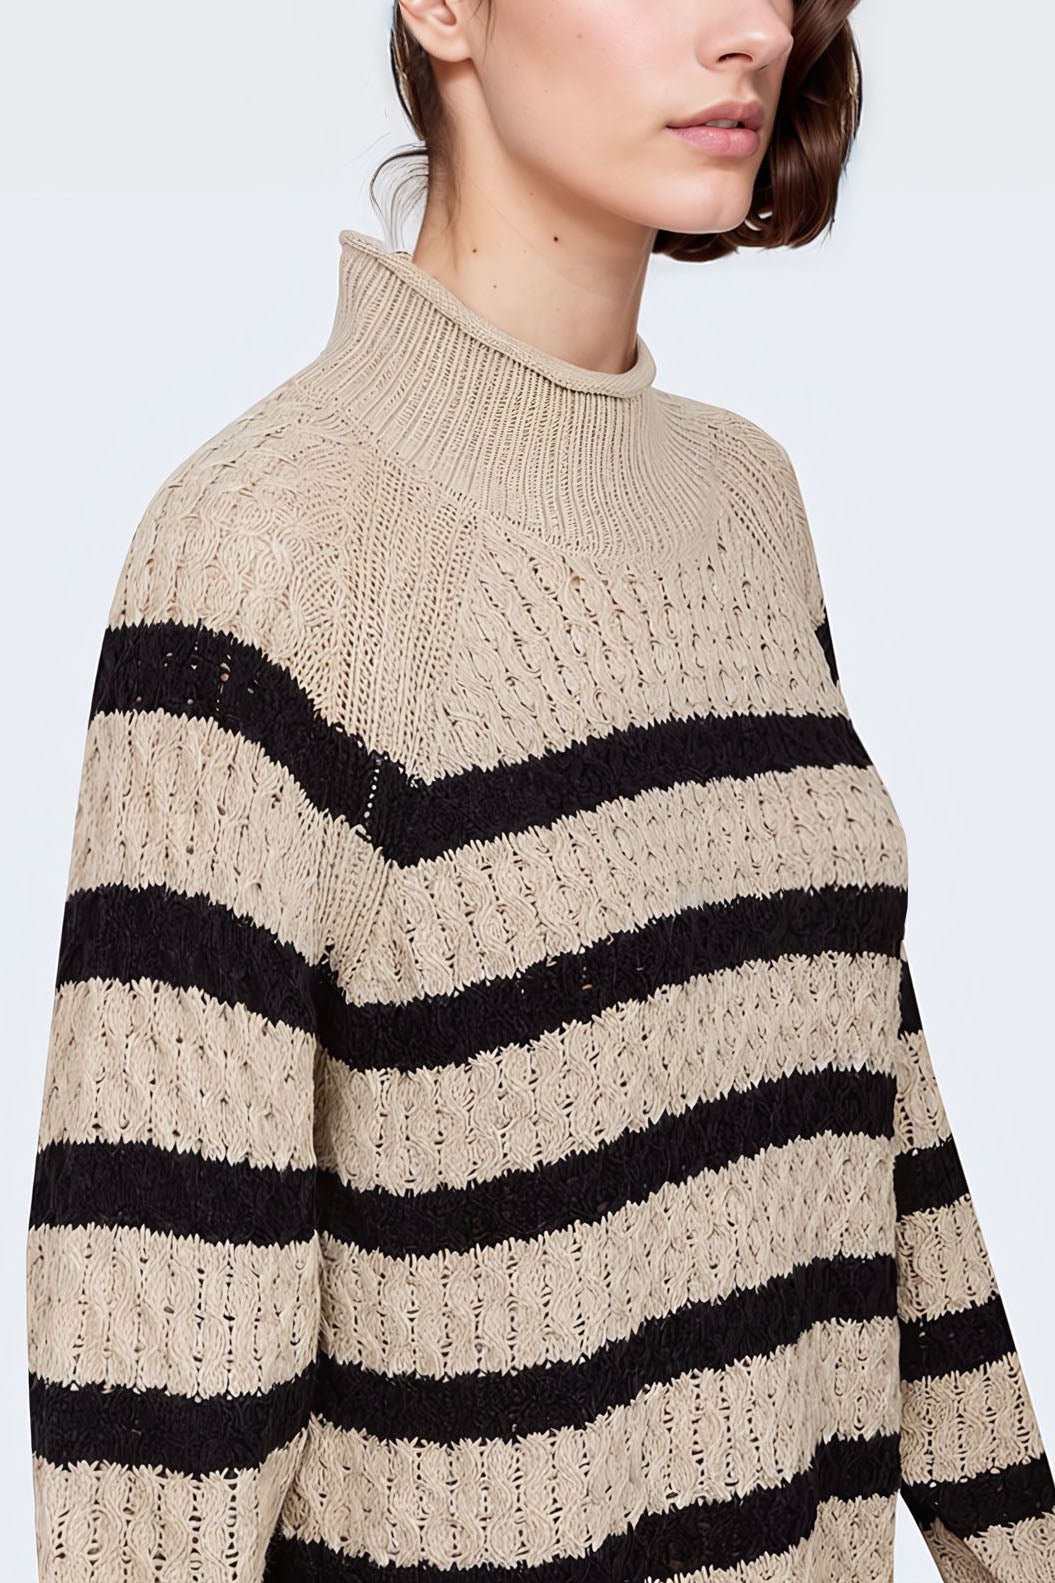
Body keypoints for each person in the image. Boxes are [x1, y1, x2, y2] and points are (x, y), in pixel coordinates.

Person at [24, 1, 1054, 1580]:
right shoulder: (266, 556)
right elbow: (156, 1384)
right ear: (445, 9)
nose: (751, 32)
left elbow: (873, 1116)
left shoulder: (748, 505)